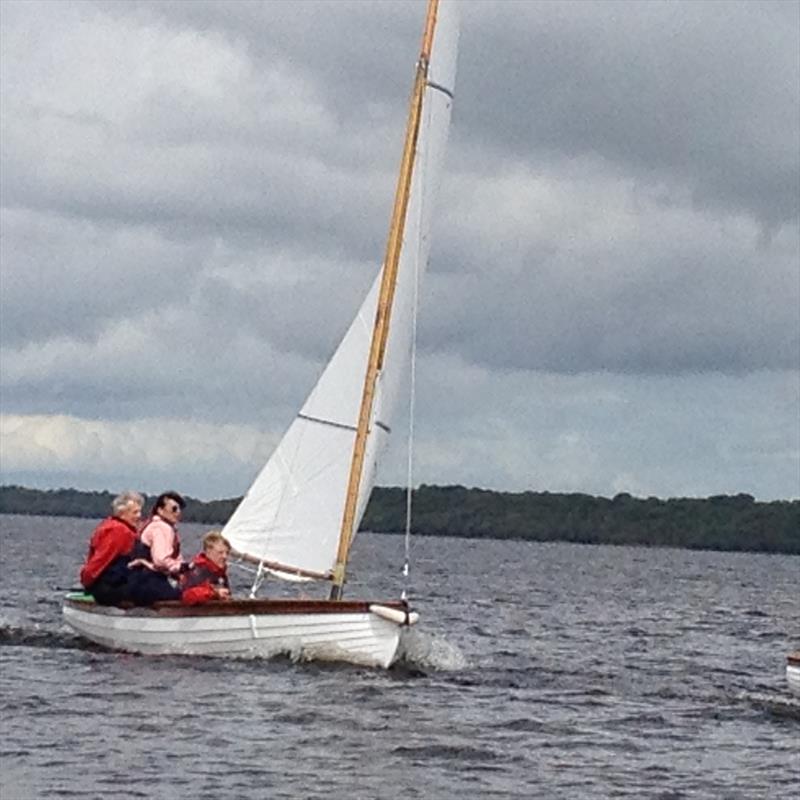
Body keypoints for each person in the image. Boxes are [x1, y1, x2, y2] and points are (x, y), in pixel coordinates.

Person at [79, 491, 143, 605]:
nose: (139, 516)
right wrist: (87, 581)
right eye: (135, 512)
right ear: (122, 513)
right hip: (107, 587)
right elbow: (101, 560)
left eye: (139, 511)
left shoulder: (115, 527)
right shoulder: (118, 531)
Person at [127, 491, 189, 604]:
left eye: (180, 509)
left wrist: (184, 570)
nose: (178, 512)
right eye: (174, 509)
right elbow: (160, 560)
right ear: (160, 510)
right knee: (185, 595)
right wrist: (182, 567)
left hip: (139, 579)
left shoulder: (160, 526)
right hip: (147, 581)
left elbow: (174, 558)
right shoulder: (161, 528)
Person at [181, 530, 232, 605]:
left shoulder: (220, 574)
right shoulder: (198, 570)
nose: (225, 556)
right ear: (208, 552)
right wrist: (215, 593)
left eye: (227, 553)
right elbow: (187, 595)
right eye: (220, 553)